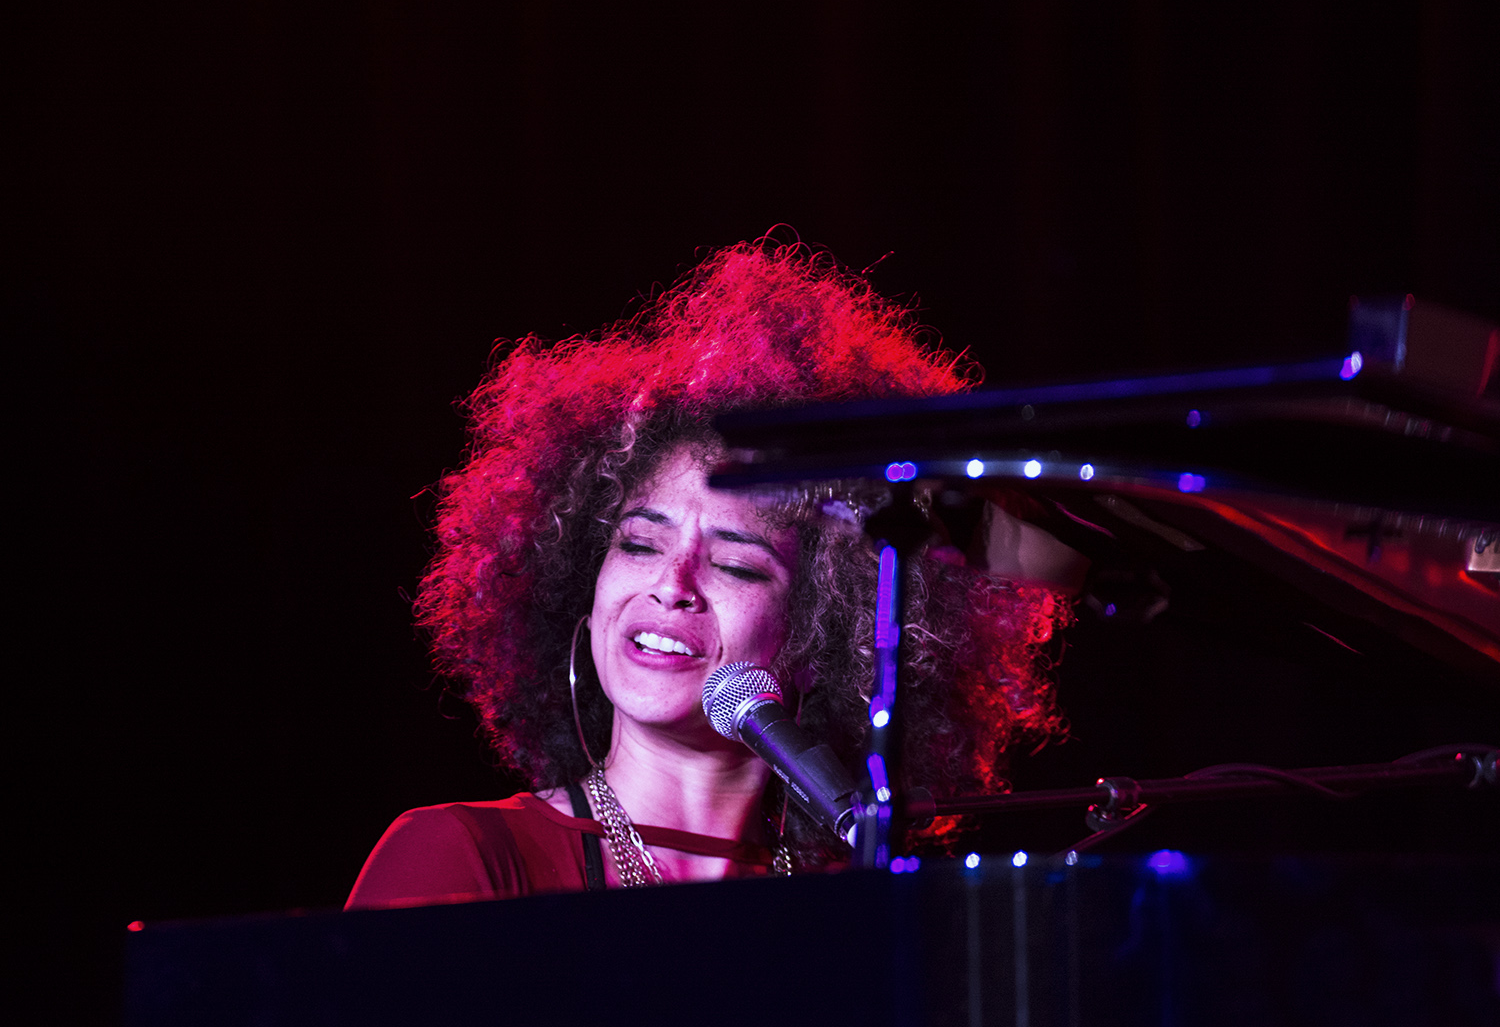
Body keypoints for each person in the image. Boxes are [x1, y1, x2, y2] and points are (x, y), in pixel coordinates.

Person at [346, 240, 1065, 908]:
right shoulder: (465, 857)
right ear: (584, 589)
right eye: (637, 544)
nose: (674, 582)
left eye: (735, 564)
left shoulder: (858, 902)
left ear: (825, 640)